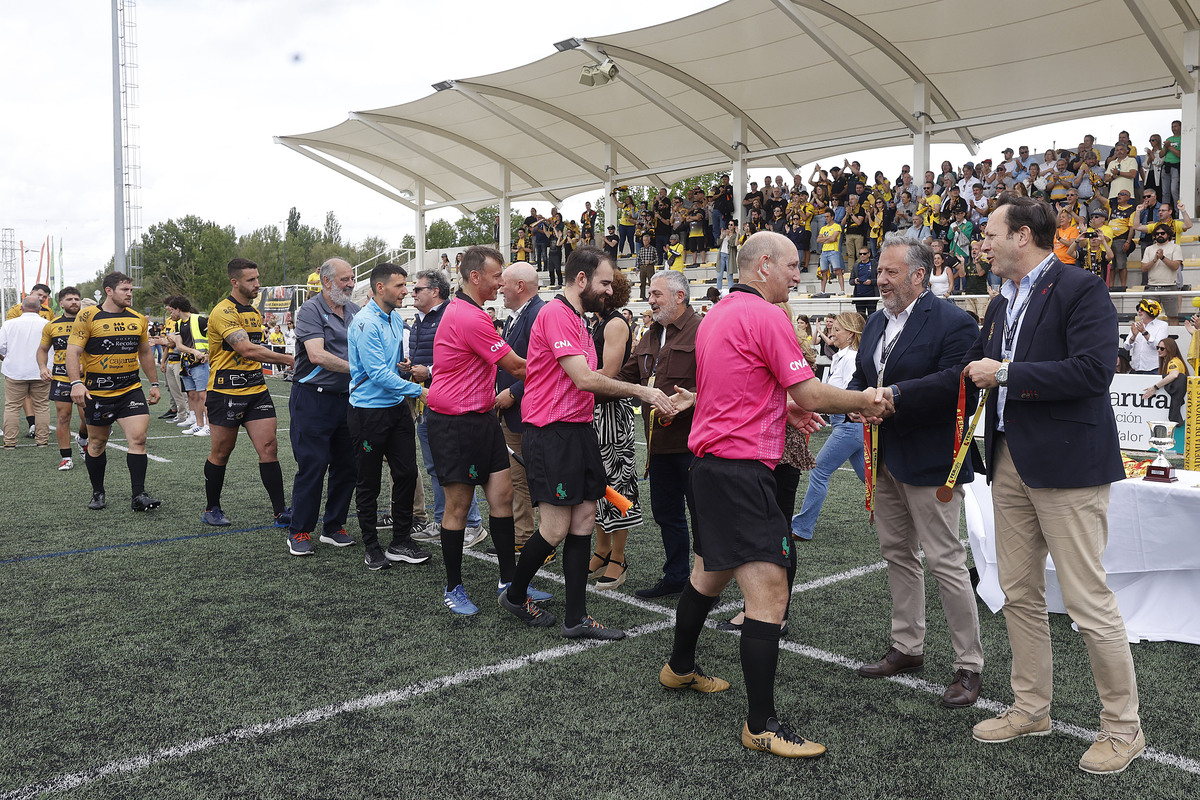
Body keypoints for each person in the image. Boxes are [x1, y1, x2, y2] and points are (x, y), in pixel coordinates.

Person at [661, 231, 892, 759]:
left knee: (709, 573)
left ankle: (678, 667)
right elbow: (808, 390)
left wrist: (781, 410)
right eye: (792, 264)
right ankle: (761, 724)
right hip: (742, 472)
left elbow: (735, 388)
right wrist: (868, 400)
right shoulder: (767, 315)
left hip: (712, 466)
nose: (797, 273)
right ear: (763, 265)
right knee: (770, 594)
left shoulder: (717, 313)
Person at [956, 195, 1144, 774]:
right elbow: (967, 369)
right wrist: (889, 397)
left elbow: (1094, 370)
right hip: (1010, 461)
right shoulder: (999, 304)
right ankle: (1031, 707)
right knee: (1017, 591)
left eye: (989, 233)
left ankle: (1123, 728)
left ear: (1022, 236)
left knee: (1088, 600)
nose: (981, 244)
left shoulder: (1078, 287)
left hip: (1068, 465)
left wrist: (1007, 371)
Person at [500, 246, 678, 638]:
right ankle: (515, 594)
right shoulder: (557, 315)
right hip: (552, 433)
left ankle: (575, 618)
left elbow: (587, 378)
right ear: (581, 280)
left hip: (577, 430)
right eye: (602, 282)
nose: (608, 290)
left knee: (583, 520)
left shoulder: (578, 318)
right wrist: (641, 391)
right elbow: (584, 377)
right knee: (557, 527)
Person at [846, 236, 984, 709]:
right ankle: (907, 647)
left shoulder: (954, 321)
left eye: (888, 272)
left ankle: (969, 665)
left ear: (919, 275)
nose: (878, 279)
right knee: (897, 554)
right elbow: (863, 377)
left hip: (931, 461)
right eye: (878, 272)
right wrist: (854, 400)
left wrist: (894, 397)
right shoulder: (876, 323)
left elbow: (954, 382)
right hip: (883, 458)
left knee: (946, 562)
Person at [425, 246, 531, 615]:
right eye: (496, 276)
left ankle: (508, 580)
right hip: (455, 424)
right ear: (475, 277)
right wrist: (565, 367)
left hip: (482, 419)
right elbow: (517, 367)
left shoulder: (471, 312)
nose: (501, 282)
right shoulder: (469, 317)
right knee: (457, 506)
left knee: (502, 498)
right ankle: (453, 587)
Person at [347, 262, 432, 571]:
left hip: (395, 409)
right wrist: (417, 391)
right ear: (380, 288)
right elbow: (377, 374)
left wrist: (403, 366)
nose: (406, 291)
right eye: (400, 285)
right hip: (368, 413)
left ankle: (399, 541)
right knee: (368, 481)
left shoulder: (396, 319)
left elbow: (388, 366)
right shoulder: (365, 322)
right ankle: (371, 545)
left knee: (407, 473)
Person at [200, 258, 295, 527]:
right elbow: (247, 349)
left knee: (269, 448)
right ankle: (212, 508)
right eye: (251, 280)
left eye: (257, 278)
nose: (257, 284)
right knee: (221, 452)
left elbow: (256, 348)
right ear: (235, 282)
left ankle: (280, 512)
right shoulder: (223, 311)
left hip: (256, 390)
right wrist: (290, 360)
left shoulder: (253, 312)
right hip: (225, 391)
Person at [64, 272, 161, 511]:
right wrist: (76, 383)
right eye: (125, 290)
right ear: (109, 291)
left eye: (131, 290)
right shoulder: (88, 316)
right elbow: (73, 351)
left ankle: (139, 495)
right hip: (97, 392)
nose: (130, 294)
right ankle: (98, 492)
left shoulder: (138, 319)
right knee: (97, 443)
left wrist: (155, 383)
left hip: (130, 389)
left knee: (138, 439)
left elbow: (145, 353)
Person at [284, 257, 360, 557]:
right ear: (326, 281)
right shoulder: (310, 310)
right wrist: (360, 370)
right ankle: (300, 530)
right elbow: (316, 355)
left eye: (352, 278)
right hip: (313, 399)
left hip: (348, 399)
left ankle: (334, 526)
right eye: (345, 279)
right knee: (313, 465)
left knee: (348, 465)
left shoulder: (355, 311)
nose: (351, 283)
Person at [789, 312, 866, 541]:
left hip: (848, 424)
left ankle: (801, 528)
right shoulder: (844, 356)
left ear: (850, 334)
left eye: (838, 330)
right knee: (873, 479)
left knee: (819, 470)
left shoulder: (851, 358)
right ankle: (900, 517)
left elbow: (850, 394)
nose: (831, 333)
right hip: (847, 425)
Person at [587, 270, 642, 590]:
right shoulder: (600, 322)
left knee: (618, 489)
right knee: (598, 486)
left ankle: (619, 559)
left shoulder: (617, 323)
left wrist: (571, 378)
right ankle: (602, 550)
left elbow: (608, 375)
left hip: (611, 413)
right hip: (595, 411)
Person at [494, 262, 549, 556]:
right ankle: (524, 535)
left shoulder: (538, 314)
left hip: (526, 411)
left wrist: (513, 394)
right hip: (514, 412)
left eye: (504, 283)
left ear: (520, 286)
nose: (500, 288)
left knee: (528, 477)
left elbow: (544, 365)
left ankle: (532, 540)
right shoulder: (519, 316)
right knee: (518, 478)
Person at [35, 286, 89, 468]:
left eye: (76, 299)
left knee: (88, 418)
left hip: (86, 378)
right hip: (61, 377)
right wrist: (43, 367)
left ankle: (82, 438)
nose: (74, 302)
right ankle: (66, 457)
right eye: (70, 299)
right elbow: (42, 350)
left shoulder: (89, 322)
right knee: (63, 417)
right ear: (61, 303)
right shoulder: (52, 325)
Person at [1, 295, 51, 450]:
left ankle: (10, 442)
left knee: (12, 407)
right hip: (41, 371)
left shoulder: (9, 324)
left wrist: (8, 359)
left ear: (21, 308)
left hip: (15, 371)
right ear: (40, 308)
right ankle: (42, 440)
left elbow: (1, 348)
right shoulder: (48, 324)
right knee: (42, 406)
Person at [164, 297, 210, 436]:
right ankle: (199, 424)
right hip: (187, 363)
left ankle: (209, 425)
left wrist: (207, 354)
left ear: (178, 309)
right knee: (192, 394)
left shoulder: (200, 320)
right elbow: (179, 345)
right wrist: (193, 351)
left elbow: (215, 338)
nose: (171, 313)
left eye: (172, 310)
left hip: (201, 363)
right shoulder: (178, 324)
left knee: (203, 394)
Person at [1124, 298, 1168, 374]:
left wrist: (1144, 332)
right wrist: (1133, 336)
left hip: (1154, 369)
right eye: (1138, 309)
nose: (1139, 311)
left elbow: (1158, 346)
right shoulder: (1135, 325)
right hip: (1136, 369)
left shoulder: (1162, 325)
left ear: (1151, 310)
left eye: (1142, 309)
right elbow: (1126, 347)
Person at [850, 247, 878, 316]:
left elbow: (880, 279)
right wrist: (855, 281)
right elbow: (851, 281)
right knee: (860, 319)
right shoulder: (856, 266)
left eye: (864, 254)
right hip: (859, 297)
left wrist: (871, 282)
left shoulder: (875, 265)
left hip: (871, 297)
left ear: (869, 254)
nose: (862, 255)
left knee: (872, 318)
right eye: (860, 254)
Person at [636, 232, 659, 301]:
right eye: (644, 240)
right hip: (642, 267)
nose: (645, 242)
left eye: (646, 240)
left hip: (650, 267)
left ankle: (651, 296)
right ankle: (642, 296)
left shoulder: (653, 249)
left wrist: (650, 262)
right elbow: (638, 259)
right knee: (642, 283)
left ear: (649, 241)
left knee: (651, 282)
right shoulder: (641, 249)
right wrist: (637, 268)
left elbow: (657, 259)